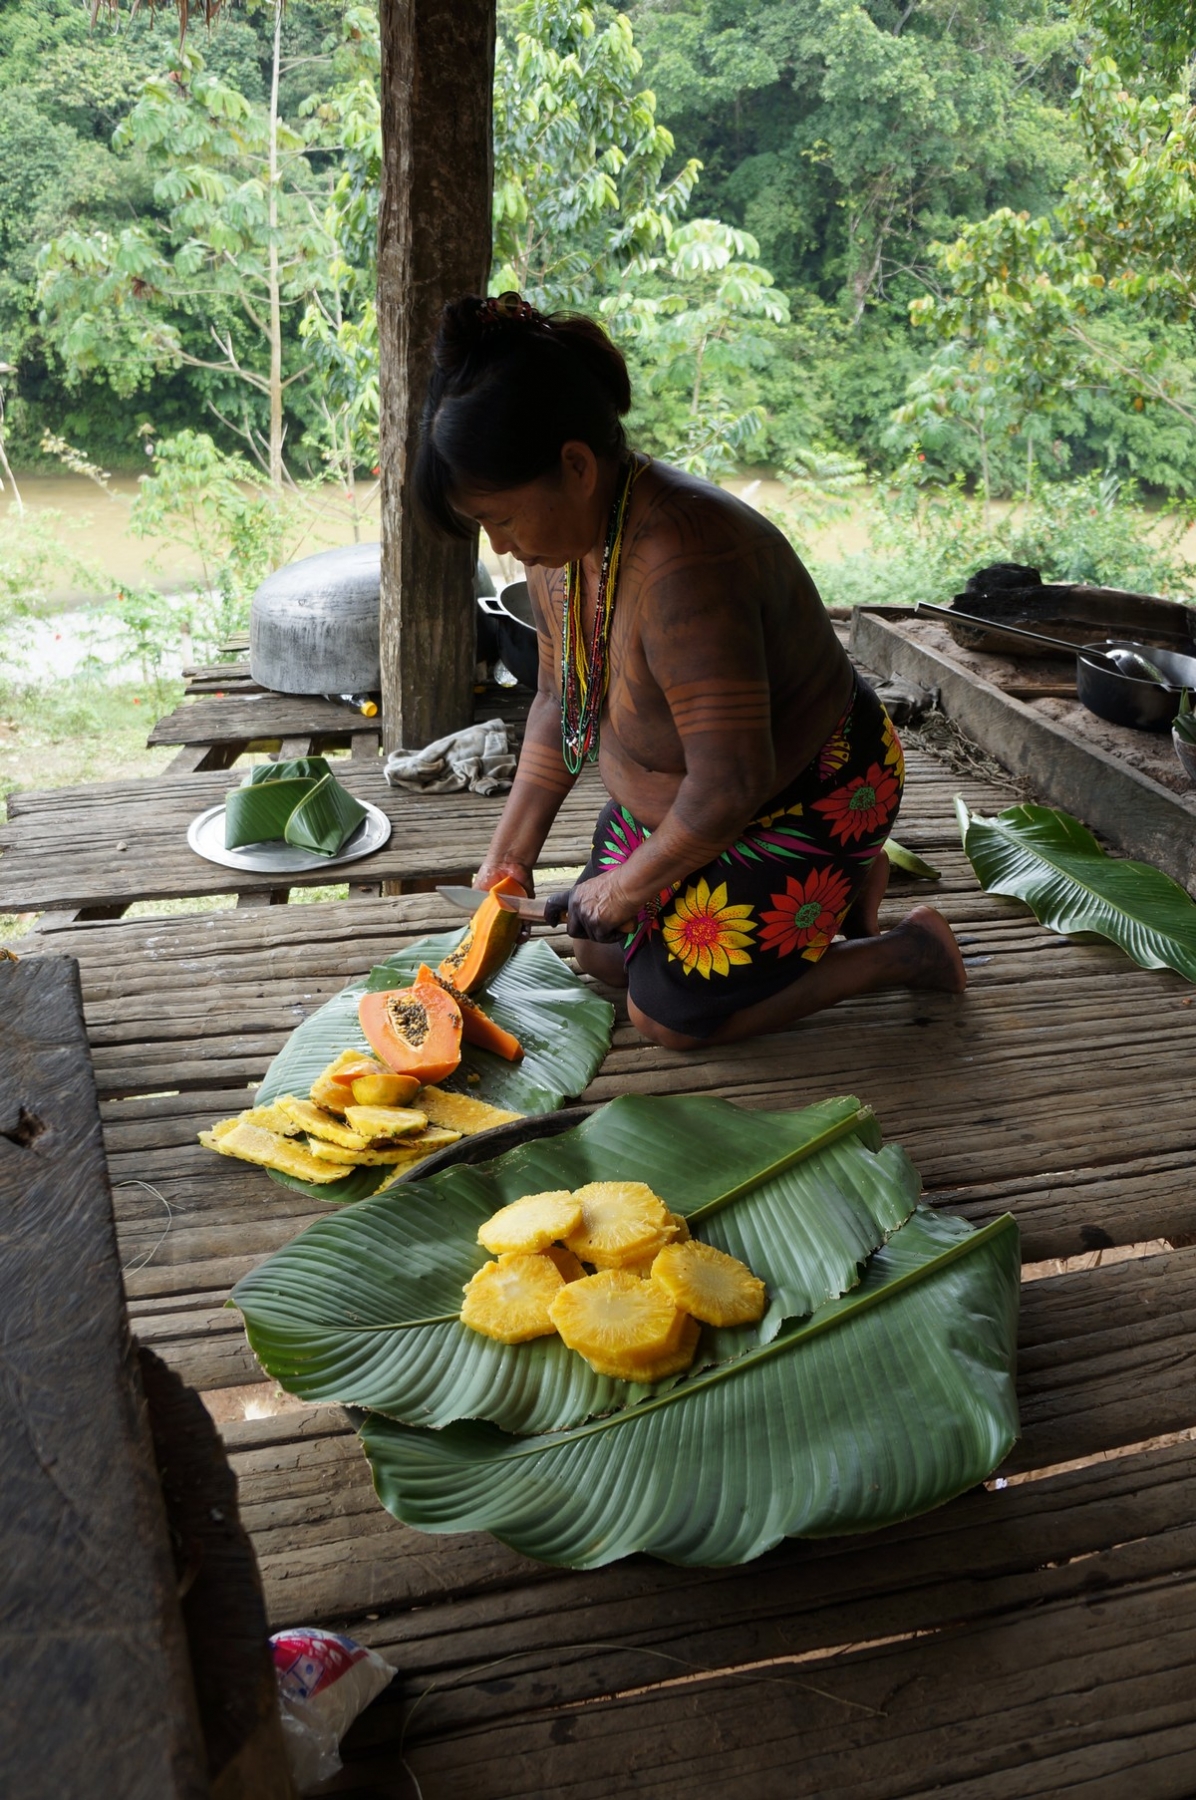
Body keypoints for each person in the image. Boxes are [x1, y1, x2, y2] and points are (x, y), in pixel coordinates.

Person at [414, 291, 965, 1050]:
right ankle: (841, 893)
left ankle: (905, 952)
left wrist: (626, 886)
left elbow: (732, 783)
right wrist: (508, 859)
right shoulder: (562, 548)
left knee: (669, 1014)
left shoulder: (688, 564)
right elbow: (557, 699)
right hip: (686, 805)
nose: (500, 546)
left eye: (501, 518)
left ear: (576, 466)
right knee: (600, 955)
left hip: (803, 795)